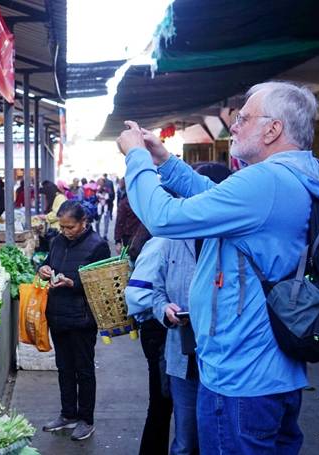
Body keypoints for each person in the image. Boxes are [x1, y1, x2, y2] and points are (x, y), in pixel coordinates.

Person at [117, 81, 319, 454]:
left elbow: (163, 218)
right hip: (273, 369)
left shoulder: (266, 181)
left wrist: (136, 158)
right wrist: (165, 161)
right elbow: (214, 198)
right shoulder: (300, 173)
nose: (234, 126)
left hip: (241, 377)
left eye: (244, 117)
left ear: (273, 129)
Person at [127, 163, 232, 455]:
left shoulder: (234, 239)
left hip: (226, 357)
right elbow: (152, 291)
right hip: (182, 353)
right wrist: (164, 310)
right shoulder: (173, 238)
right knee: (184, 438)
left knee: (218, 437)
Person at [38, 200, 111, 441]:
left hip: (82, 318)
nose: (65, 232)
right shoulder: (57, 241)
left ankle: (86, 419)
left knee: (84, 370)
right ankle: (67, 414)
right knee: (64, 368)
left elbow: (103, 284)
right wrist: (44, 269)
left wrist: (74, 283)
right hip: (57, 315)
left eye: (70, 227)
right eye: (62, 227)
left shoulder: (98, 246)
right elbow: (48, 261)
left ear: (83, 223)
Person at [114, 177, 142, 254]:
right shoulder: (143, 199)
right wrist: (118, 240)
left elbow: (120, 221)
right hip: (136, 235)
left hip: (131, 235)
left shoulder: (125, 201)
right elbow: (120, 221)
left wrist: (118, 240)